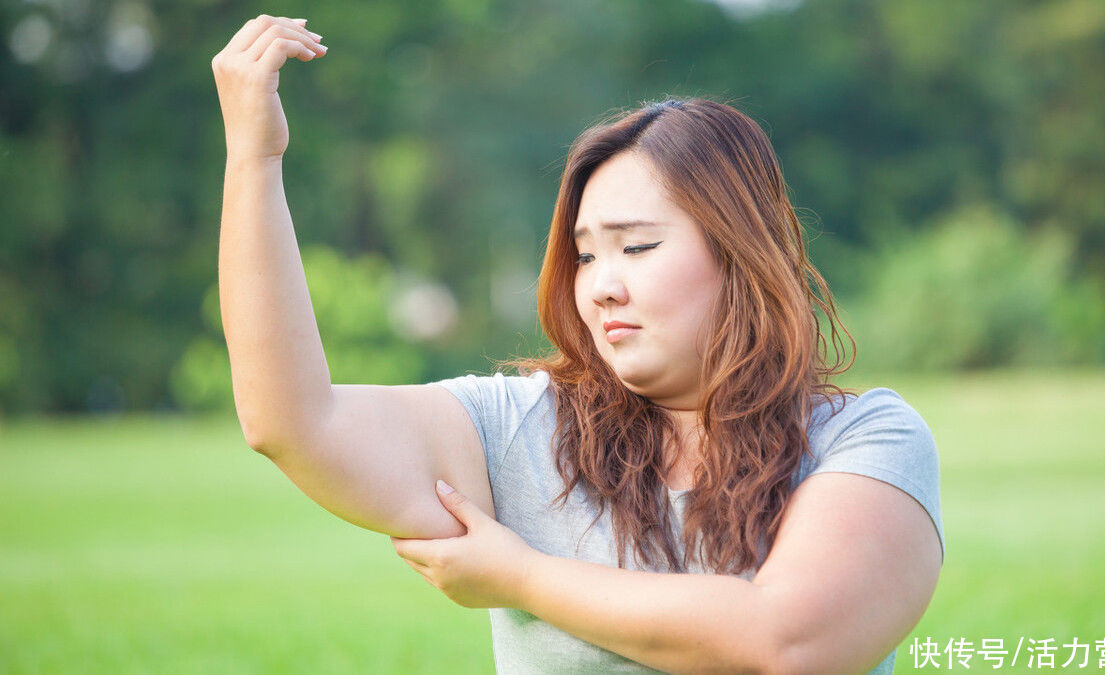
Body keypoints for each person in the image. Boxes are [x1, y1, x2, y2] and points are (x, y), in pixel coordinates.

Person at [212, 15, 944, 674]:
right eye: (587, 255)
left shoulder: (865, 441)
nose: (599, 287)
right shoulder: (518, 429)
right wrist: (255, 158)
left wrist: (521, 576)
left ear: (741, 254)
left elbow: (788, 643)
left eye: (637, 247)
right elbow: (292, 421)